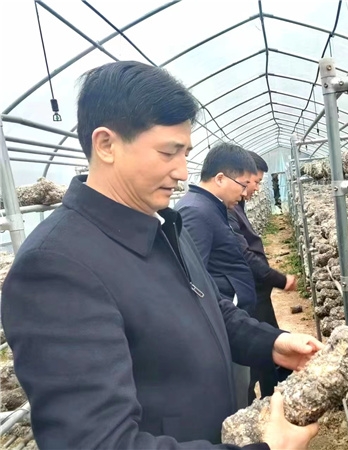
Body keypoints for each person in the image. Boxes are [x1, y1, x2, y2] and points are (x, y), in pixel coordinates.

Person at [1, 60, 321, 450]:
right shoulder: (55, 267)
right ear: (106, 145)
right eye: (169, 153)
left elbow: (209, 308)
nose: (182, 171)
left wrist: (271, 343)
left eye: (185, 153)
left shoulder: (163, 224)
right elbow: (97, 442)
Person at [174, 144, 259, 410]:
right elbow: (191, 276)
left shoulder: (210, 208)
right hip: (222, 325)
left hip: (230, 318)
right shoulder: (196, 211)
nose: (244, 193)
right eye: (242, 184)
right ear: (220, 178)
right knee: (233, 398)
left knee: (243, 390)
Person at [227, 151, 298, 404]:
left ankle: (273, 396)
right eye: (254, 182)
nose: (255, 188)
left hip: (257, 292)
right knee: (257, 352)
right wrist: (279, 279)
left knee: (268, 344)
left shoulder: (237, 206)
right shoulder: (224, 210)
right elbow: (244, 254)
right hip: (249, 295)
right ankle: (258, 404)